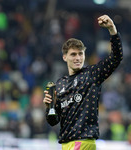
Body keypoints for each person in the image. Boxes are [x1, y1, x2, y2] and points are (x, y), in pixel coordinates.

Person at [43, 15, 123, 150]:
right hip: (65, 144)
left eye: (81, 54)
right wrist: (49, 107)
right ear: (64, 57)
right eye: (73, 54)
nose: (78, 58)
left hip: (83, 141)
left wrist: (112, 29)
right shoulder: (60, 84)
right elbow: (53, 121)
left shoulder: (92, 74)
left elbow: (116, 57)